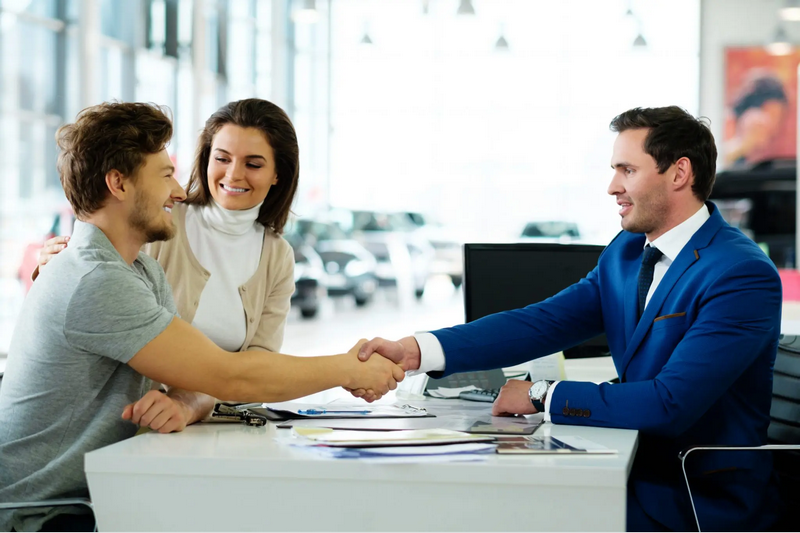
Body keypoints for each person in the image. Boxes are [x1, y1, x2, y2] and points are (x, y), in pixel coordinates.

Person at [356, 106, 783, 532]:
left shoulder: (739, 273)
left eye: (627, 170)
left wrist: (542, 394)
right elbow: (542, 322)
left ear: (678, 173)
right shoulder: (627, 252)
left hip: (692, 495)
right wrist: (415, 351)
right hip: (630, 464)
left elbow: (669, 403)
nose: (612, 186)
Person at [0, 102, 403, 532]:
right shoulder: (98, 276)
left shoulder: (140, 268)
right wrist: (348, 368)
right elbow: (231, 376)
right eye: (165, 175)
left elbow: (218, 373)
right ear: (118, 183)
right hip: (43, 514)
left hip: (107, 488)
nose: (179, 190)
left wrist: (190, 401)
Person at [33, 98, 303, 432]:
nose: (233, 173)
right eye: (221, 158)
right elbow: (91, 279)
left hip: (196, 435)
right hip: (131, 432)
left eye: (253, 163)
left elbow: (257, 370)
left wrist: (192, 402)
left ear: (279, 174)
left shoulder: (277, 256)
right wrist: (57, 264)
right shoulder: (154, 220)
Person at [724, 70, 790, 168]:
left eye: (778, 117)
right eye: (771, 114)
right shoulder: (727, 123)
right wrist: (745, 144)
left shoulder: (772, 146)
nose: (774, 124)